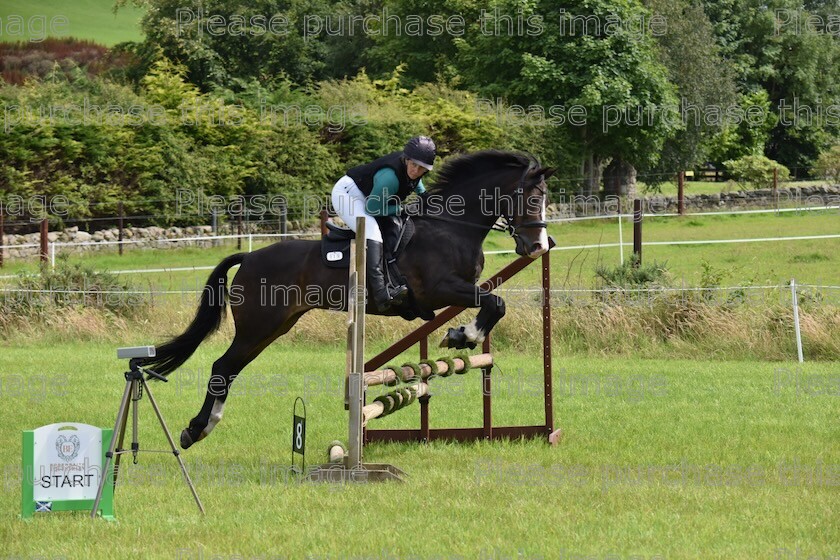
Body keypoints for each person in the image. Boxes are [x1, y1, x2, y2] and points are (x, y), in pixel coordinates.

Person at [331, 136, 436, 311]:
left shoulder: (413, 168)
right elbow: (372, 209)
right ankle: (381, 293)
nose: (416, 171)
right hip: (348, 195)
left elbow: (416, 183)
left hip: (368, 196)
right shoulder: (390, 178)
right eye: (414, 165)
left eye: (422, 169)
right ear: (406, 159)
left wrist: (426, 197)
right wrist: (401, 209)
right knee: (371, 231)